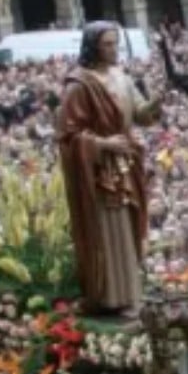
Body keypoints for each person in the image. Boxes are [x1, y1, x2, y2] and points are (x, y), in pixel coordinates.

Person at [57, 22, 162, 317]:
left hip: (126, 163)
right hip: (99, 170)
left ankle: (132, 291)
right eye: (107, 44)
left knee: (129, 227)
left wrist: (156, 102)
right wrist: (102, 144)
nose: (114, 50)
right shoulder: (80, 84)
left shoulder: (121, 76)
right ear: (93, 47)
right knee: (110, 230)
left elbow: (141, 115)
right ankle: (114, 296)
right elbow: (67, 135)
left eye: (116, 43)